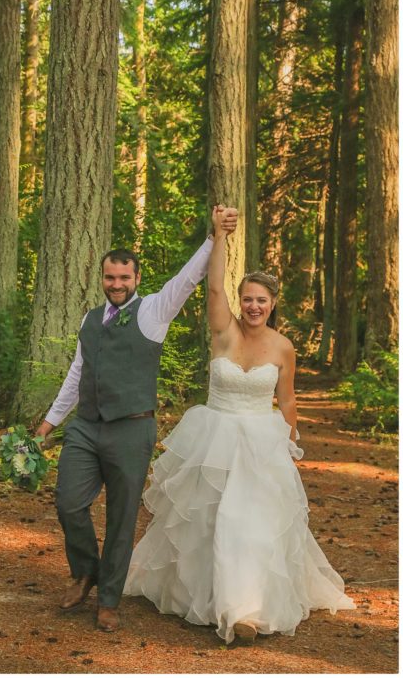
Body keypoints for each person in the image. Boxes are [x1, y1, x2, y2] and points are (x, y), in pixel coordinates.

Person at [124, 205, 355, 643]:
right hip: (215, 438)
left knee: (250, 522)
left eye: (261, 300)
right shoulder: (223, 331)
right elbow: (213, 288)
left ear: (272, 305)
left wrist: (289, 448)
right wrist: (219, 235)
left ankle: (246, 611)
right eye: (247, 298)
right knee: (210, 520)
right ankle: (210, 599)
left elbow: (286, 399)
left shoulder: (283, 347)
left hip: (260, 444)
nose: (253, 306)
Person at [35, 208, 238, 632]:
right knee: (68, 502)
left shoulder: (153, 313)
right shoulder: (90, 318)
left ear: (136, 279)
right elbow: (77, 372)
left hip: (132, 428)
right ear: (102, 278)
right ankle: (86, 569)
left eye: (124, 278)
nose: (116, 284)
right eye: (110, 278)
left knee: (122, 518)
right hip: (87, 428)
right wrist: (51, 422)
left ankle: (108, 599)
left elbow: (187, 279)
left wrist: (213, 236)